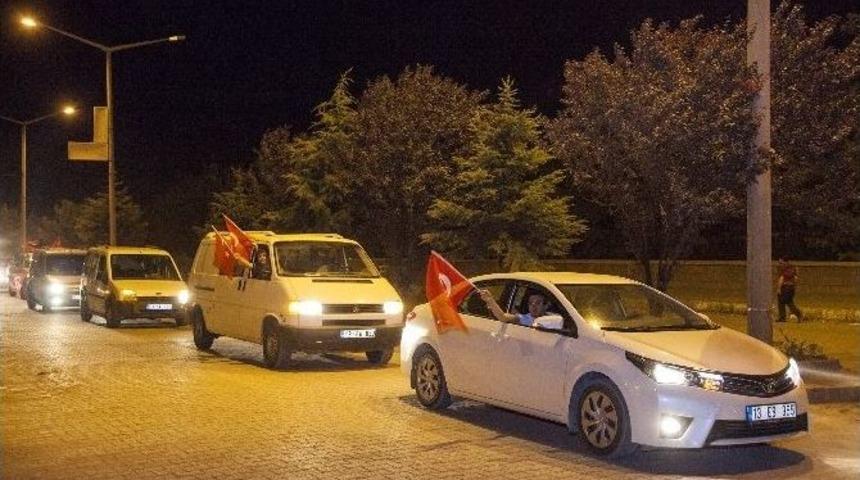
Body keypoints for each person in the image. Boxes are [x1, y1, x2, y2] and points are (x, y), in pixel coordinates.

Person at [479, 289, 550, 327]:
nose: (533, 306)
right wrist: (490, 300)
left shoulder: (556, 318)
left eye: (538, 303)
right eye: (530, 303)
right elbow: (503, 317)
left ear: (546, 306)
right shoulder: (522, 318)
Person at [776, 258, 802, 322]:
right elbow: (796, 278)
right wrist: (794, 287)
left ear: (786, 262)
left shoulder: (785, 269)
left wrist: (779, 288)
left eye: (781, 263)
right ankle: (782, 317)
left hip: (786, 287)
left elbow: (781, 278)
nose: (780, 264)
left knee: (788, 302)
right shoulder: (793, 268)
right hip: (790, 288)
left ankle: (798, 314)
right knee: (782, 302)